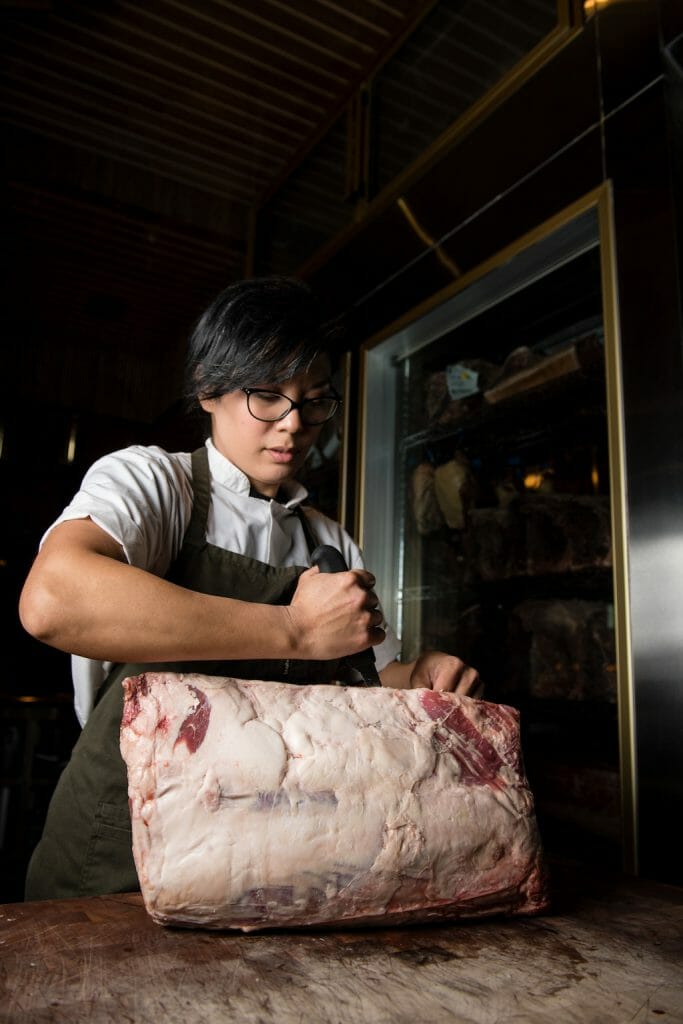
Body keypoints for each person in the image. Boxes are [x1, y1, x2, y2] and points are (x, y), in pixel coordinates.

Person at [19, 276, 480, 901]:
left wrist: (419, 676)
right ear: (209, 389)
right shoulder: (156, 484)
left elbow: (368, 682)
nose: (293, 425)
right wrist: (296, 629)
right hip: (123, 846)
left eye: (314, 400)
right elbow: (53, 600)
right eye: (266, 396)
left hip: (269, 850)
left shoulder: (330, 543)